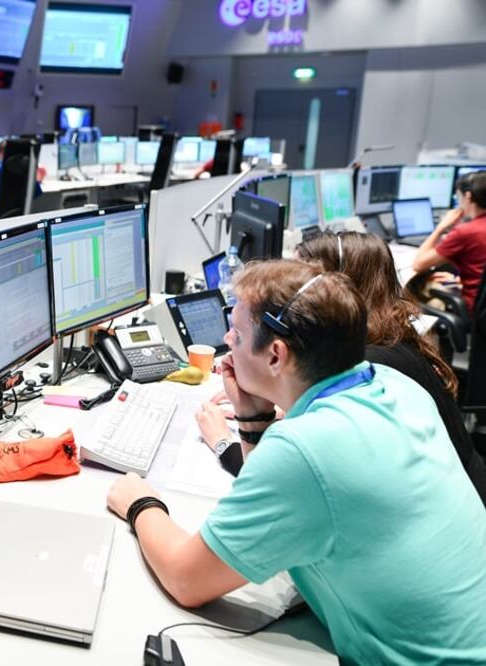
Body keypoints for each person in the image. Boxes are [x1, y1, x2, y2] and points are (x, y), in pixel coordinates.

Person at [107, 260, 486, 664]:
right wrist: (253, 420)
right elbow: (278, 506)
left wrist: (141, 504)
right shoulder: (395, 385)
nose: (226, 339)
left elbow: (186, 579)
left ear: (276, 355)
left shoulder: (306, 449)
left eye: (235, 331)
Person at [197, 231, 486, 505]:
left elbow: (284, 482)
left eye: (302, 278)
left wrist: (224, 442)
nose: (291, 287)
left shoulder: (366, 363)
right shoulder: (388, 337)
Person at [412, 171, 486, 311]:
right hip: (482, 307)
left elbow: (418, 264)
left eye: (458, 196)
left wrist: (440, 228)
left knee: (417, 289)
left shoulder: (466, 232)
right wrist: (457, 280)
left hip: (474, 311)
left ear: (468, 196)